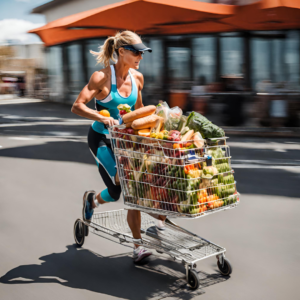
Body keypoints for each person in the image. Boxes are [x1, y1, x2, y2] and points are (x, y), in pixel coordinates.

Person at [71, 31, 166, 263]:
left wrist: (154, 132)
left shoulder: (138, 79)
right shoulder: (101, 77)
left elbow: (139, 113)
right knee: (123, 184)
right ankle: (138, 247)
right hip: (101, 138)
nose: (140, 56)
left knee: (119, 192)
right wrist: (102, 117)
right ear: (121, 51)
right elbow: (77, 106)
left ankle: (91, 201)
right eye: (136, 52)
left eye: (142, 53)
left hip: (125, 141)